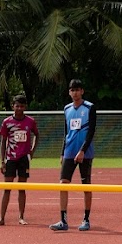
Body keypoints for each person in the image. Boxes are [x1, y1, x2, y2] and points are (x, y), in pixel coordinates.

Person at [51, 79, 97, 232]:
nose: (75, 93)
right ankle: (63, 220)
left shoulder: (89, 107)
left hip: (85, 153)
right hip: (69, 151)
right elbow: (66, 132)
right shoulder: (67, 109)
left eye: (77, 90)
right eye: (72, 90)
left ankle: (86, 219)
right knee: (63, 183)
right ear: (69, 92)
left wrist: (83, 150)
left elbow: (91, 131)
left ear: (82, 91)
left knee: (86, 186)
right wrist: (62, 152)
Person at [0, 93, 39, 226]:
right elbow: (3, 142)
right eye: (17, 106)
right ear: (13, 106)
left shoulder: (30, 121)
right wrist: (2, 161)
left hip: (24, 159)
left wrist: (32, 151)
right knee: (7, 188)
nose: (19, 108)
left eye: (22, 106)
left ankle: (21, 217)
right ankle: (2, 218)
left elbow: (37, 135)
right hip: (11, 158)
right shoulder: (7, 122)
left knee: (22, 188)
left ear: (25, 107)